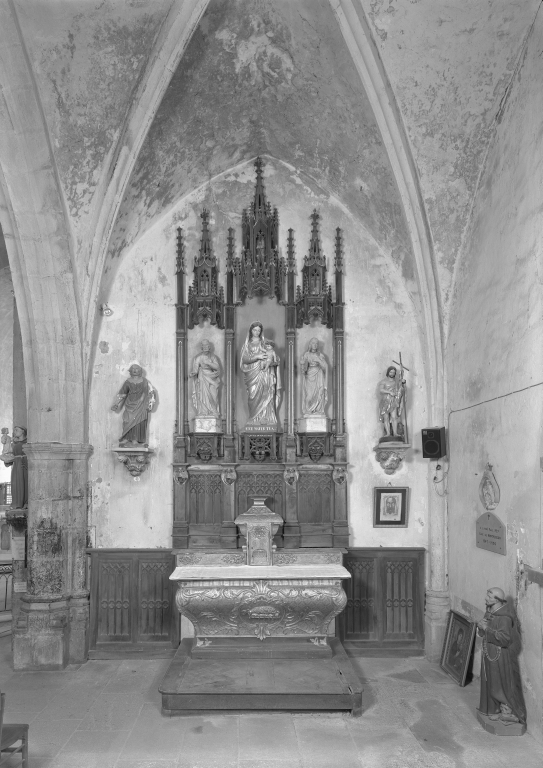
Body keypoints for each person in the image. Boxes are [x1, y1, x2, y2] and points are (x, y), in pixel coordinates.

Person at [477, 587, 526, 724]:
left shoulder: (504, 618)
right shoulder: (490, 612)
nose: (486, 598)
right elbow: (483, 633)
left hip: (499, 656)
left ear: (497, 600)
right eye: (487, 595)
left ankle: (509, 712)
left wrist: (487, 629)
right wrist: (480, 627)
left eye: (489, 596)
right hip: (489, 653)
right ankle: (497, 709)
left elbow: (505, 639)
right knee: (491, 683)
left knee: (499, 685)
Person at [240, 322, 281, 427]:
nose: (257, 332)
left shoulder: (264, 343)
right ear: (251, 331)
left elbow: (273, 355)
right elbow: (244, 359)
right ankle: (254, 418)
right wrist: (256, 356)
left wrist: (273, 360)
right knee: (253, 395)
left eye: (259, 330)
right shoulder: (247, 344)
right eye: (255, 330)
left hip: (265, 372)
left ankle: (266, 418)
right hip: (252, 373)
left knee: (267, 393)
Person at [111, 364, 156, 445]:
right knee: (127, 420)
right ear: (130, 371)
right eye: (133, 369)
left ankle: (135, 439)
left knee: (138, 422)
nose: (135, 370)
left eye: (137, 369)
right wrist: (116, 404)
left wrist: (150, 404)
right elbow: (122, 394)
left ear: (140, 371)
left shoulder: (145, 382)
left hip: (141, 406)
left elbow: (151, 392)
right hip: (129, 405)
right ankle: (126, 438)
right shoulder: (128, 382)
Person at [190, 340, 221, 417]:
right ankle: (203, 412)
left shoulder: (213, 357)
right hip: (202, 377)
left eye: (207, 345)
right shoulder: (198, 357)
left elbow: (217, 367)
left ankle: (213, 411)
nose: (205, 347)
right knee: (202, 395)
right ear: (202, 347)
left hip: (212, 377)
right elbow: (195, 369)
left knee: (214, 395)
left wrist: (209, 363)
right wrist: (193, 373)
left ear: (209, 347)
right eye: (204, 346)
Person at [0, 426, 28, 509]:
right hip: (16, 466)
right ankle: (17, 503)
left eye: (17, 430)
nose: (15, 432)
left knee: (26, 483)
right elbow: (8, 455)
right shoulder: (13, 444)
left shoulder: (28, 443)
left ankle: (26, 503)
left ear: (23, 431)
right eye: (14, 430)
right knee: (16, 483)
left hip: (26, 465)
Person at [300, 338, 327, 416]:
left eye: (316, 343)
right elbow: (304, 368)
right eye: (313, 343)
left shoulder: (320, 355)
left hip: (319, 374)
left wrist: (319, 360)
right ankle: (308, 410)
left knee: (320, 392)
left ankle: (318, 410)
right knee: (309, 396)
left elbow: (325, 367)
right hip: (309, 375)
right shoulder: (306, 354)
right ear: (310, 345)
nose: (315, 345)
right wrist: (302, 364)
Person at [378, 365, 406, 440]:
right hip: (385, 401)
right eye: (391, 372)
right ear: (388, 372)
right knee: (386, 417)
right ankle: (388, 433)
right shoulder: (383, 381)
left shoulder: (396, 381)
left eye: (393, 372)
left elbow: (400, 387)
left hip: (393, 401)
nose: (392, 373)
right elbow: (381, 390)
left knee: (394, 417)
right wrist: (389, 392)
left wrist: (403, 382)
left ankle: (395, 432)